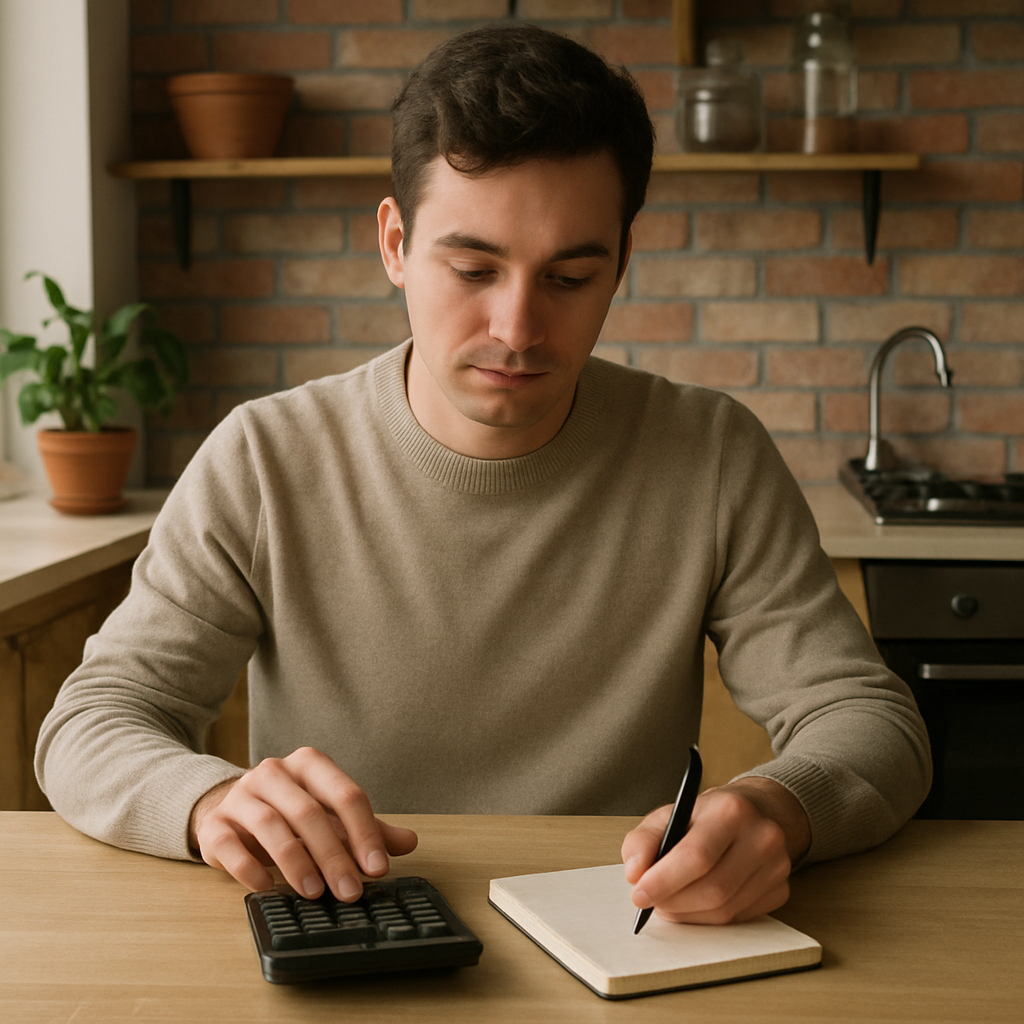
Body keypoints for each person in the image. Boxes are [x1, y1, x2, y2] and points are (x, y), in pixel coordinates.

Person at [36, 23, 930, 927]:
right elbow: (96, 720)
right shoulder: (264, 458)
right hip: (349, 931)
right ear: (394, 244)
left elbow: (867, 718)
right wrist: (206, 803)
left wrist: (781, 808)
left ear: (623, 262)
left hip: (624, 937)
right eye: (472, 267)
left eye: (571, 277)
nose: (517, 326)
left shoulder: (711, 454)